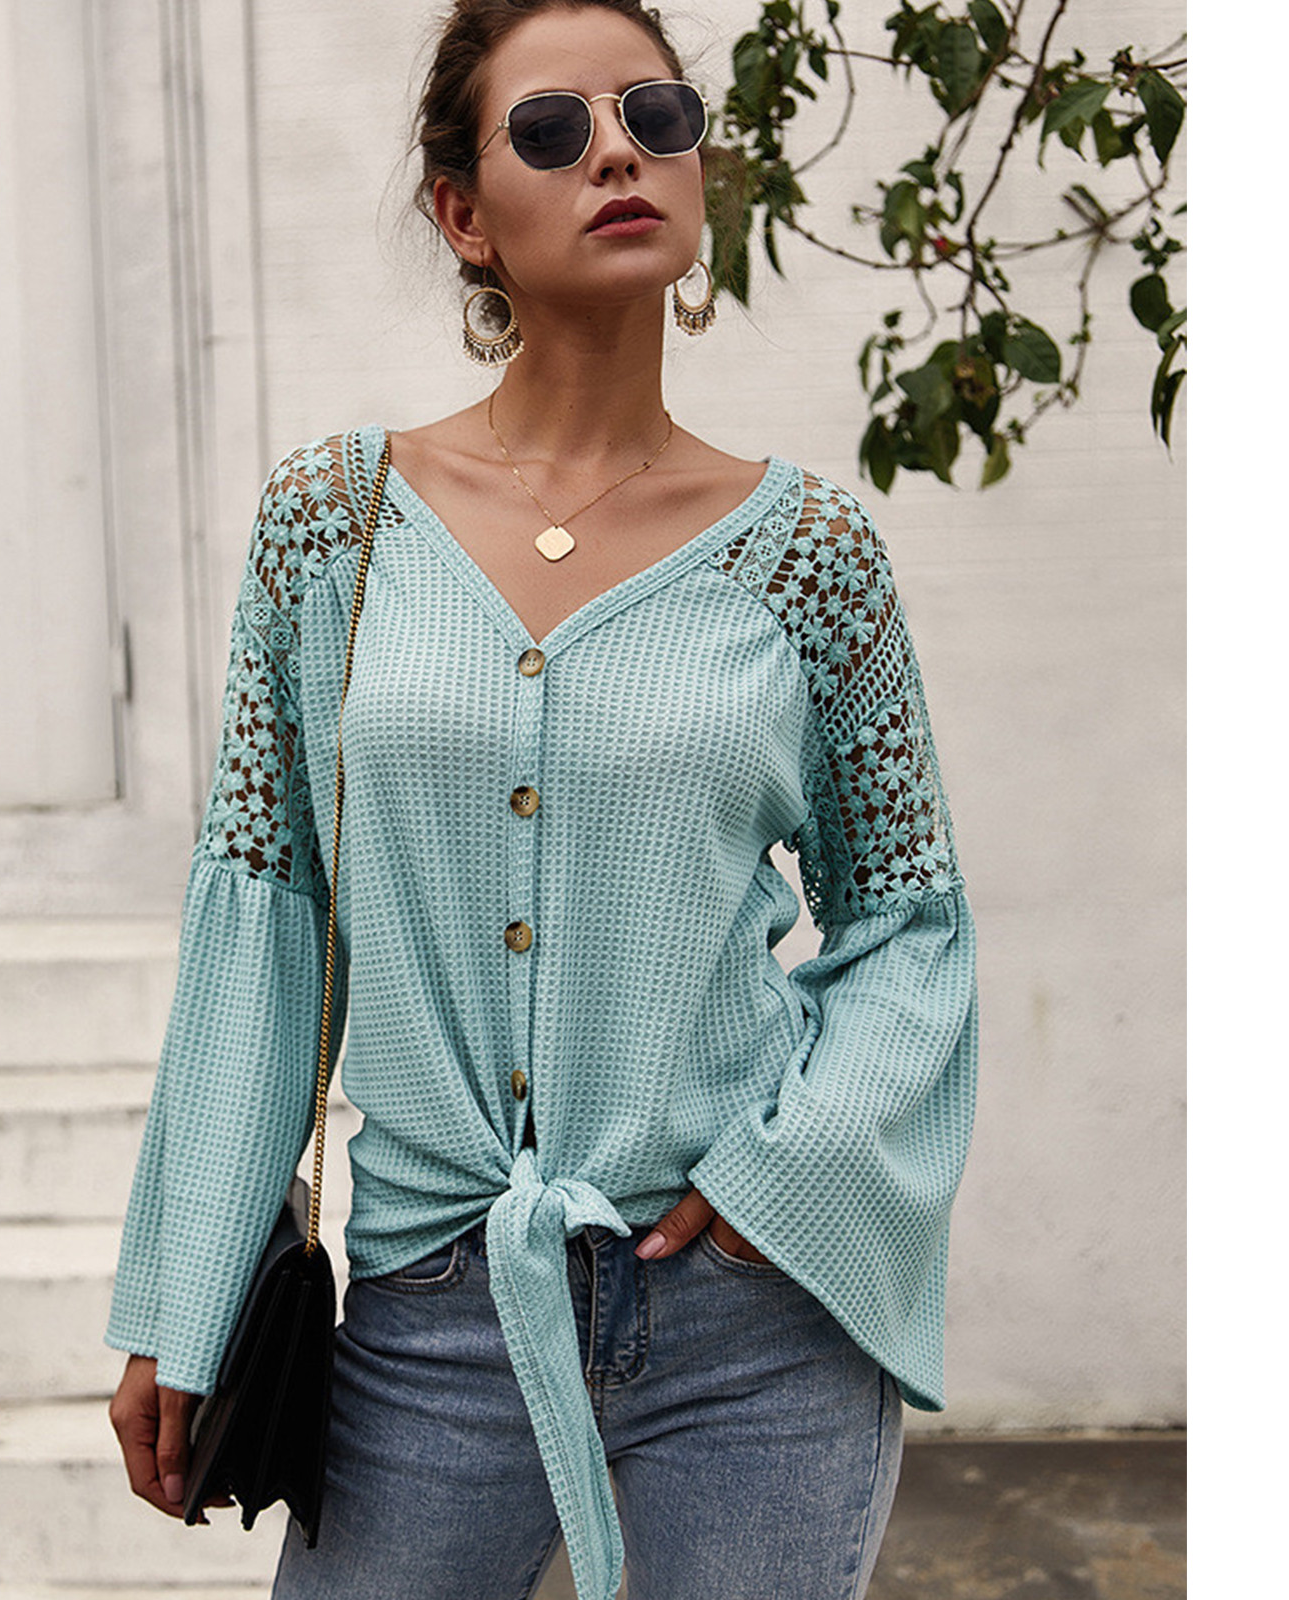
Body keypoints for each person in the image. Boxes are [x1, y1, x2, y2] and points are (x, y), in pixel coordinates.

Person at [105, 2, 979, 1597]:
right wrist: (188, 1280)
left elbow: (909, 924)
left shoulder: (813, 559)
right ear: (464, 213)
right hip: (429, 1323)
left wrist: (776, 1188)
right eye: (555, 130)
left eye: (656, 114)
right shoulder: (334, 528)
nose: (620, 152)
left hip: (750, 1334)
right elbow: (266, 914)